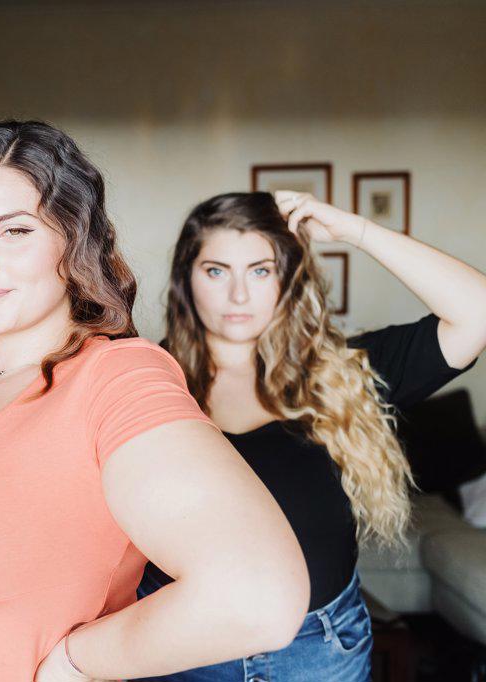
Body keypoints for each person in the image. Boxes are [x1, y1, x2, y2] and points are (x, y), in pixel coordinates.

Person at [0, 120, 309, 682]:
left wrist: (77, 664)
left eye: (14, 232)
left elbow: (259, 594)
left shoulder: (116, 379)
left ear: (73, 240)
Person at [138, 190, 486, 681]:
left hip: (319, 654)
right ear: (186, 279)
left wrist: (356, 230)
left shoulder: (341, 376)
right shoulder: (142, 382)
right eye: (216, 271)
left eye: (260, 270)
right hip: (179, 648)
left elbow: (477, 312)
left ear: (288, 278)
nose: (239, 295)